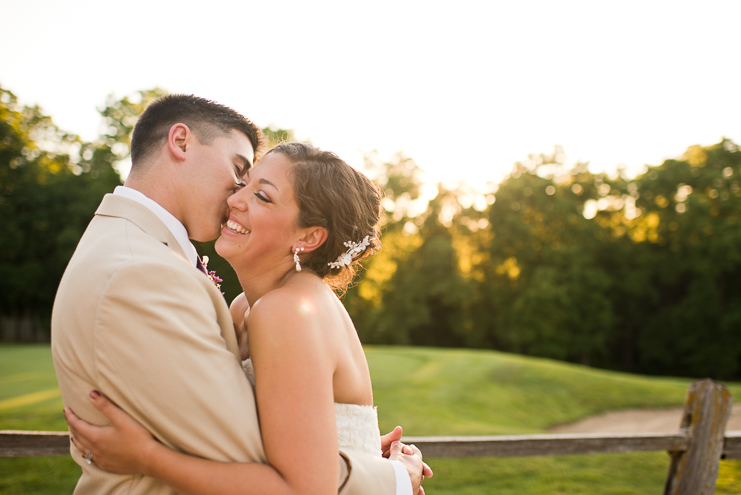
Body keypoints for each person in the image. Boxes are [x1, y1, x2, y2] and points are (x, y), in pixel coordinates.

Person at [52, 95, 427, 495]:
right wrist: (370, 465)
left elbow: (302, 485)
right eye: (242, 179)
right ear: (179, 142)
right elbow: (268, 437)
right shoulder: (241, 306)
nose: (235, 198)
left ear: (309, 237)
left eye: (261, 195)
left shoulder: (287, 310)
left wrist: (146, 458)